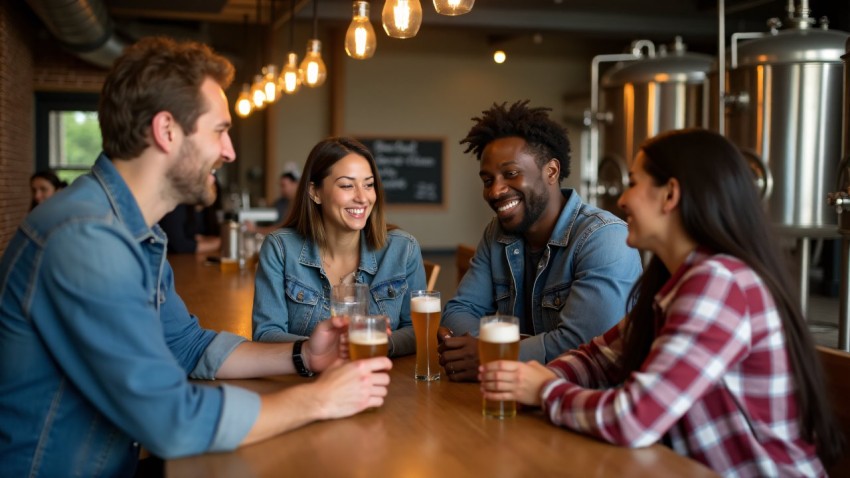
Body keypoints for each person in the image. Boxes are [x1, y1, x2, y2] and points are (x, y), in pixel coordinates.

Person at [0, 37, 390, 477]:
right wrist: (319, 399)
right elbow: (171, 420)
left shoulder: (132, 230)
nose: (230, 152)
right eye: (220, 131)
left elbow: (185, 345)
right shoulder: (87, 239)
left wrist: (304, 356)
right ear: (166, 131)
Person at [479, 128, 844, 476]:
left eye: (633, 184)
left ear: (670, 195)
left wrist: (543, 390)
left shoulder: (718, 283)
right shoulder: (677, 280)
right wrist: (531, 379)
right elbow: (599, 357)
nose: (621, 200)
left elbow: (633, 419)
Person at [438, 100, 642, 381]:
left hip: (586, 406)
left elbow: (586, 348)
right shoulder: (496, 234)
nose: (495, 191)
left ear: (551, 171)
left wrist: (492, 354)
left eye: (511, 174)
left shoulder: (605, 238)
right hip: (519, 399)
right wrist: (518, 348)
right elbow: (459, 311)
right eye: (488, 180)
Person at [252, 137, 426, 357]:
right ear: (315, 192)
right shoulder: (280, 248)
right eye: (347, 185)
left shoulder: (403, 249)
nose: (362, 197)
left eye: (369, 184)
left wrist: (378, 341)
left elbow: (418, 330)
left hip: (384, 381)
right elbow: (266, 334)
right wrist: (327, 349)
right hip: (307, 385)